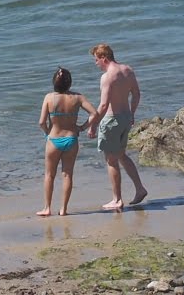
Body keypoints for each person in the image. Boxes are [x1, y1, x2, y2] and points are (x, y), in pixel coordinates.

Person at [87, 43, 147, 210]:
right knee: (121, 155)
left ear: (104, 58)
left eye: (96, 60)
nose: (96, 63)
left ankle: (117, 199)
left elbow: (103, 105)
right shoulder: (128, 70)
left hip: (111, 120)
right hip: (125, 118)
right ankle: (140, 189)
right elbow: (136, 94)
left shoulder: (107, 77)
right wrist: (132, 113)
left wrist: (92, 124)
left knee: (111, 160)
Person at [37, 66, 90, 216]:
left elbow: (41, 122)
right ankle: (64, 209)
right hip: (71, 139)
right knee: (67, 175)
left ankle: (47, 208)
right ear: (69, 83)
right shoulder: (78, 98)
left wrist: (47, 133)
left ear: (54, 82)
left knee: (49, 175)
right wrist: (82, 128)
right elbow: (95, 113)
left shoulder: (49, 98)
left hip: (54, 139)